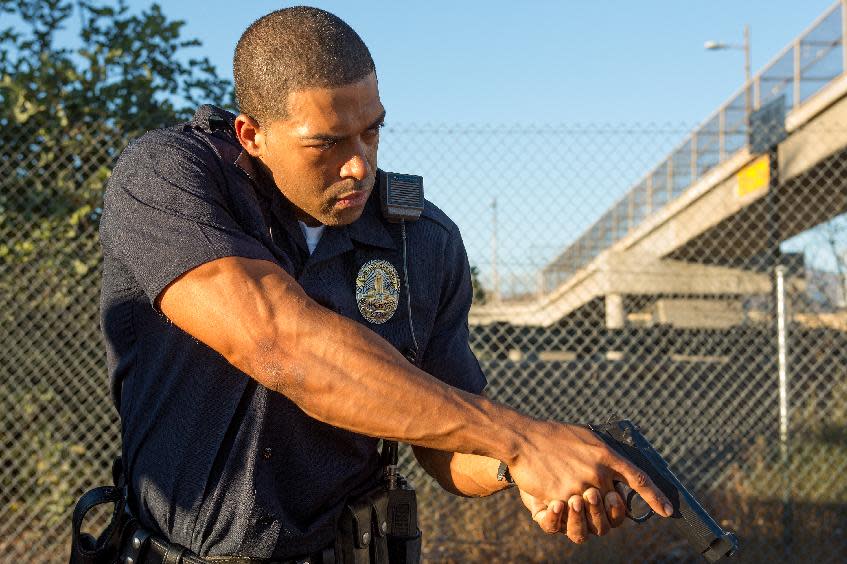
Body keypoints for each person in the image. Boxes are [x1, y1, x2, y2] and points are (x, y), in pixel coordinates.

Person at [96, 6, 672, 562]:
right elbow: (278, 343)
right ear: (251, 135)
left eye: (373, 132)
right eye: (327, 143)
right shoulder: (170, 178)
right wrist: (520, 441)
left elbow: (448, 446)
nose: (359, 165)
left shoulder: (420, 239)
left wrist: (517, 470)